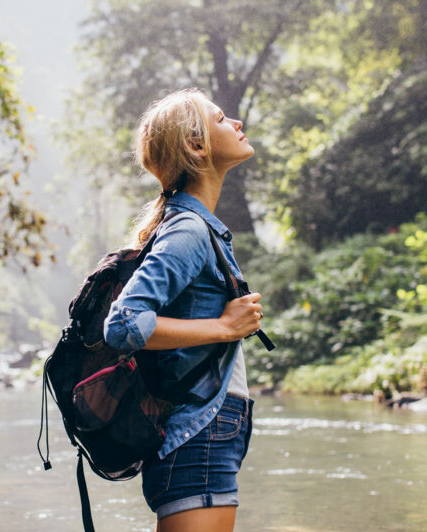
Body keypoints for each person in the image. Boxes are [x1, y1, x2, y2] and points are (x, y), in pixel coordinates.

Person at [103, 89, 263, 532]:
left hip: (205, 432)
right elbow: (123, 324)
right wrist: (223, 327)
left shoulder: (193, 226)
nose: (235, 122)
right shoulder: (190, 230)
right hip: (200, 433)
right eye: (221, 119)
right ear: (196, 146)